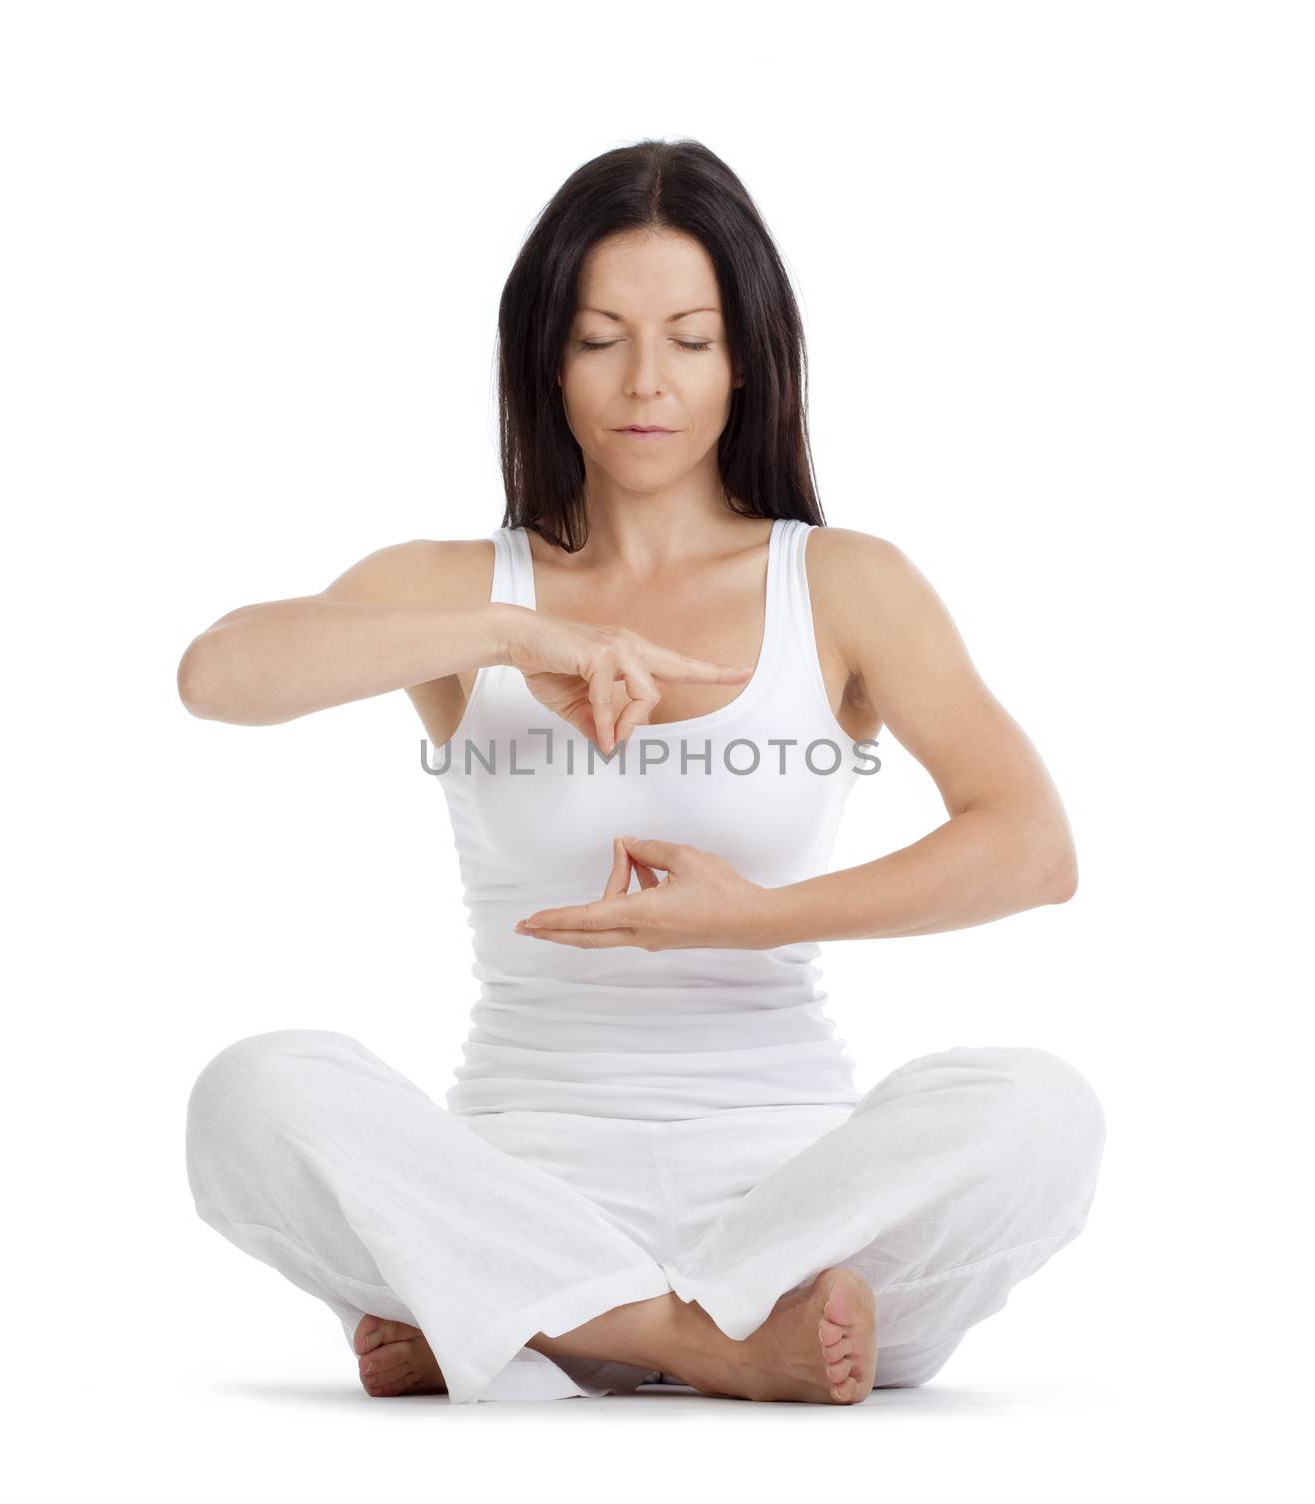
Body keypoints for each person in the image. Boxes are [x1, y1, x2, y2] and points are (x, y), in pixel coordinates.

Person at [177, 138, 1106, 1406]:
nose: (644, 383)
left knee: (1038, 1108)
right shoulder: (459, 588)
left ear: (748, 357)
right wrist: (516, 632)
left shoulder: (840, 582)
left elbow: (1031, 847)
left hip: (793, 1200)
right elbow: (218, 674)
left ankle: (530, 1323)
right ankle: (699, 1344)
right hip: (517, 1177)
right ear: (544, 356)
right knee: (253, 1089)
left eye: (690, 337)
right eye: (599, 337)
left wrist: (758, 916)